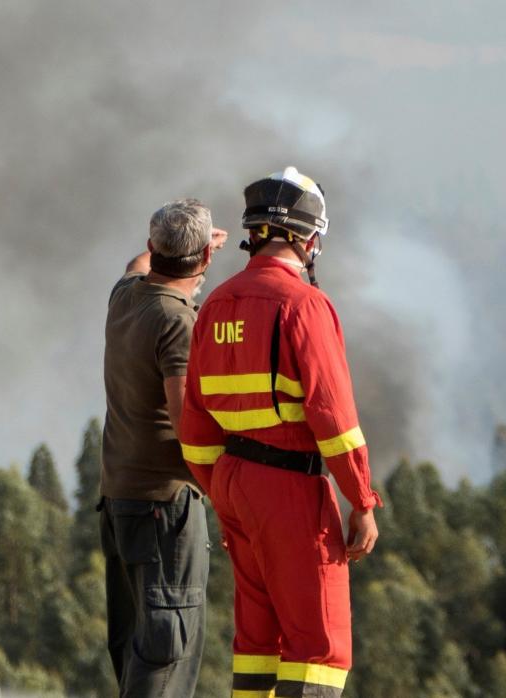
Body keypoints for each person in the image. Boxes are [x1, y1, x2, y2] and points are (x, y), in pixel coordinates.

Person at [179, 168, 382, 698]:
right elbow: (333, 419)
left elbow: (195, 425)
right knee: (319, 644)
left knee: (258, 639)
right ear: (309, 239)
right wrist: (361, 501)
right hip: (290, 488)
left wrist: (220, 487)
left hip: (231, 485)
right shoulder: (304, 306)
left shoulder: (216, 304)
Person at [99, 198, 227, 697]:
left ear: (154, 247)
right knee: (163, 659)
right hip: (163, 513)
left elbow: (138, 265)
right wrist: (230, 497)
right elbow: (186, 422)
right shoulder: (179, 323)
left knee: (134, 649)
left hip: (119, 503)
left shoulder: (125, 297)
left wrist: (186, 250)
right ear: (206, 261)